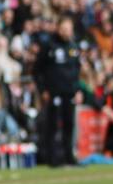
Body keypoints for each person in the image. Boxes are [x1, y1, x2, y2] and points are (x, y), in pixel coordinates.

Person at [34, 14, 81, 167]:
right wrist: (43, 90)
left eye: (69, 29)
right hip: (53, 92)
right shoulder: (49, 46)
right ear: (58, 28)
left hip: (70, 92)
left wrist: (78, 90)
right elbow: (37, 70)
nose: (66, 32)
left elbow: (77, 70)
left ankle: (69, 157)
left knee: (69, 125)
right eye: (64, 28)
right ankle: (52, 159)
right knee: (52, 126)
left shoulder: (74, 47)